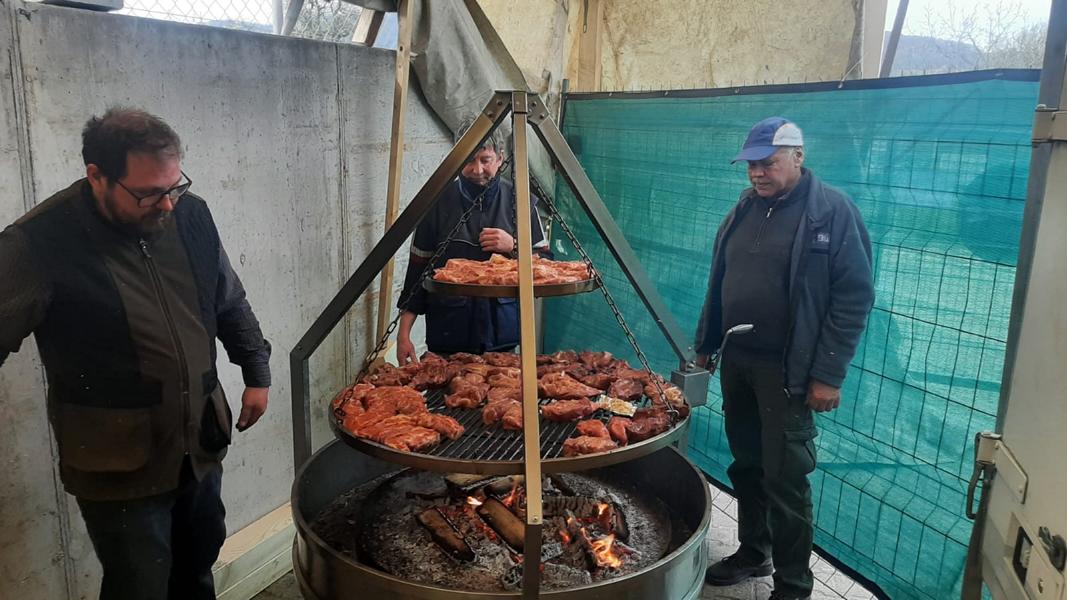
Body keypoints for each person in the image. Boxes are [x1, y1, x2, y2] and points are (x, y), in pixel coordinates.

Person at [0, 108, 271, 600]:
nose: (167, 204)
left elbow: (228, 298)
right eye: (148, 193)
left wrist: (256, 370)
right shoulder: (38, 241)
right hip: (119, 464)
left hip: (199, 443)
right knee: (139, 586)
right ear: (97, 176)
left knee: (198, 569)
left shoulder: (191, 214)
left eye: (175, 186)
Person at [694, 117, 874, 600]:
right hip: (739, 362)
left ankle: (793, 587)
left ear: (798, 156)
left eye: (767, 163)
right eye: (750, 164)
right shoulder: (744, 208)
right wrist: (706, 345)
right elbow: (720, 280)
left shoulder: (831, 213)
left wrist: (828, 374)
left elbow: (854, 298)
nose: (757, 172)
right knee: (747, 465)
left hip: (787, 372)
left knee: (786, 479)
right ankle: (755, 551)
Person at [396, 121, 549, 363]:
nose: (477, 170)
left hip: (502, 340)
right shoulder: (435, 204)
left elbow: (547, 264)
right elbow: (417, 273)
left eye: (485, 160)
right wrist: (403, 334)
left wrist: (513, 246)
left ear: (500, 158)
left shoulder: (521, 202)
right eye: (469, 160)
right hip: (448, 337)